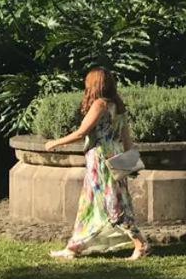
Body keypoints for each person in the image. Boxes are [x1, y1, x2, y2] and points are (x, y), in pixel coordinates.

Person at [45, 68, 150, 261]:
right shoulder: (117, 106)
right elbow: (126, 139)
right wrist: (130, 163)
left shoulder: (100, 105)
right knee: (91, 204)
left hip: (100, 160)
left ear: (95, 84)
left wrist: (55, 143)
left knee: (113, 204)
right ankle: (74, 247)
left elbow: (81, 132)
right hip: (115, 158)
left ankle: (140, 243)